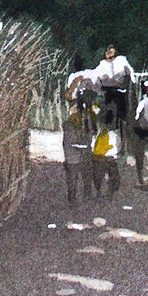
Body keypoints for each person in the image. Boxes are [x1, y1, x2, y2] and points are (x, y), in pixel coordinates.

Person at [61, 70, 98, 206]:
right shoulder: (74, 96)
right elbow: (69, 96)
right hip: (75, 132)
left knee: (84, 168)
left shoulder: (89, 107)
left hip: (83, 133)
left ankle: (84, 196)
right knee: (73, 168)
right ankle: (73, 197)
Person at [91, 45, 135, 137]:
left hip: (120, 90)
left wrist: (131, 83)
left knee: (122, 114)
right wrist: (99, 91)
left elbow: (130, 72)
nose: (109, 54)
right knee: (107, 113)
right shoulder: (102, 64)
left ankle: (123, 134)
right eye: (107, 52)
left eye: (111, 51)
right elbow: (96, 79)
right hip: (107, 91)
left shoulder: (121, 60)